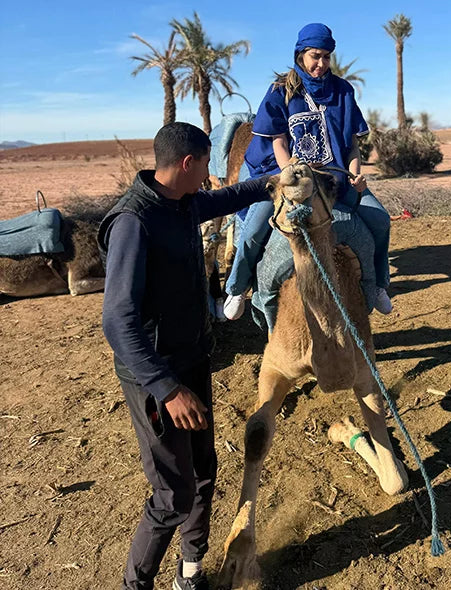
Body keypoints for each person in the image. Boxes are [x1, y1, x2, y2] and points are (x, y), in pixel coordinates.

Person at [98, 122, 270, 590]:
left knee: (203, 473)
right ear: (189, 163)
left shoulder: (182, 203)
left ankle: (190, 571)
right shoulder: (134, 222)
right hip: (155, 378)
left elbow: (227, 198)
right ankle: (138, 584)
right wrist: (167, 389)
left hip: (192, 360)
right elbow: (117, 321)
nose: (211, 177)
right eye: (207, 166)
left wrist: (272, 182)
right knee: (171, 495)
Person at [223, 22, 393, 321]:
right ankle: (237, 287)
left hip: (335, 178)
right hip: (285, 175)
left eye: (327, 57)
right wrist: (292, 175)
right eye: (316, 56)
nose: (321, 63)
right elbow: (278, 144)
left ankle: (379, 285)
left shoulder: (342, 90)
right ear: (301, 54)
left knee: (380, 220)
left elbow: (352, 145)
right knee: (254, 227)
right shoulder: (280, 91)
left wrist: (355, 174)